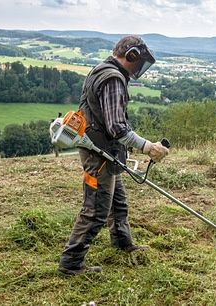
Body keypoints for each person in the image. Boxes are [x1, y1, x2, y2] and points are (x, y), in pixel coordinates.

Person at [58, 35, 169, 276]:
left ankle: (121, 242)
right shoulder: (113, 79)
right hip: (99, 154)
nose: (140, 68)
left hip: (106, 151)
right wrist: (148, 146)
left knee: (117, 203)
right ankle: (71, 264)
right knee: (96, 210)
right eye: (139, 61)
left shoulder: (101, 69)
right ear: (131, 56)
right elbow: (117, 128)